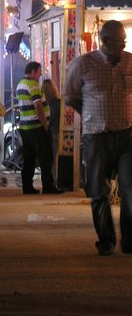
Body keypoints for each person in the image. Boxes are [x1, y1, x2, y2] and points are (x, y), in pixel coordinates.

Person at [64, 19, 132, 256]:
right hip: (97, 137)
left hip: (127, 136)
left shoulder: (130, 61)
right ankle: (106, 240)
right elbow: (70, 96)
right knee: (99, 191)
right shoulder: (84, 64)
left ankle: (130, 240)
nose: (123, 45)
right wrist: (90, 115)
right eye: (120, 41)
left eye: (125, 41)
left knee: (130, 189)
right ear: (105, 41)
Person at [16, 61, 62, 195]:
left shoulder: (21, 84)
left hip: (25, 127)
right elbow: (38, 106)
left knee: (29, 158)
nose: (40, 75)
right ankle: (48, 186)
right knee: (45, 157)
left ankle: (27, 186)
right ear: (33, 71)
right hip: (36, 126)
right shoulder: (33, 85)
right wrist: (45, 125)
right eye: (39, 72)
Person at [42, 78, 61, 185]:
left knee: (51, 158)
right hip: (59, 132)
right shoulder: (59, 102)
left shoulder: (45, 104)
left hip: (51, 132)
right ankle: (57, 179)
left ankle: (53, 179)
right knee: (57, 157)